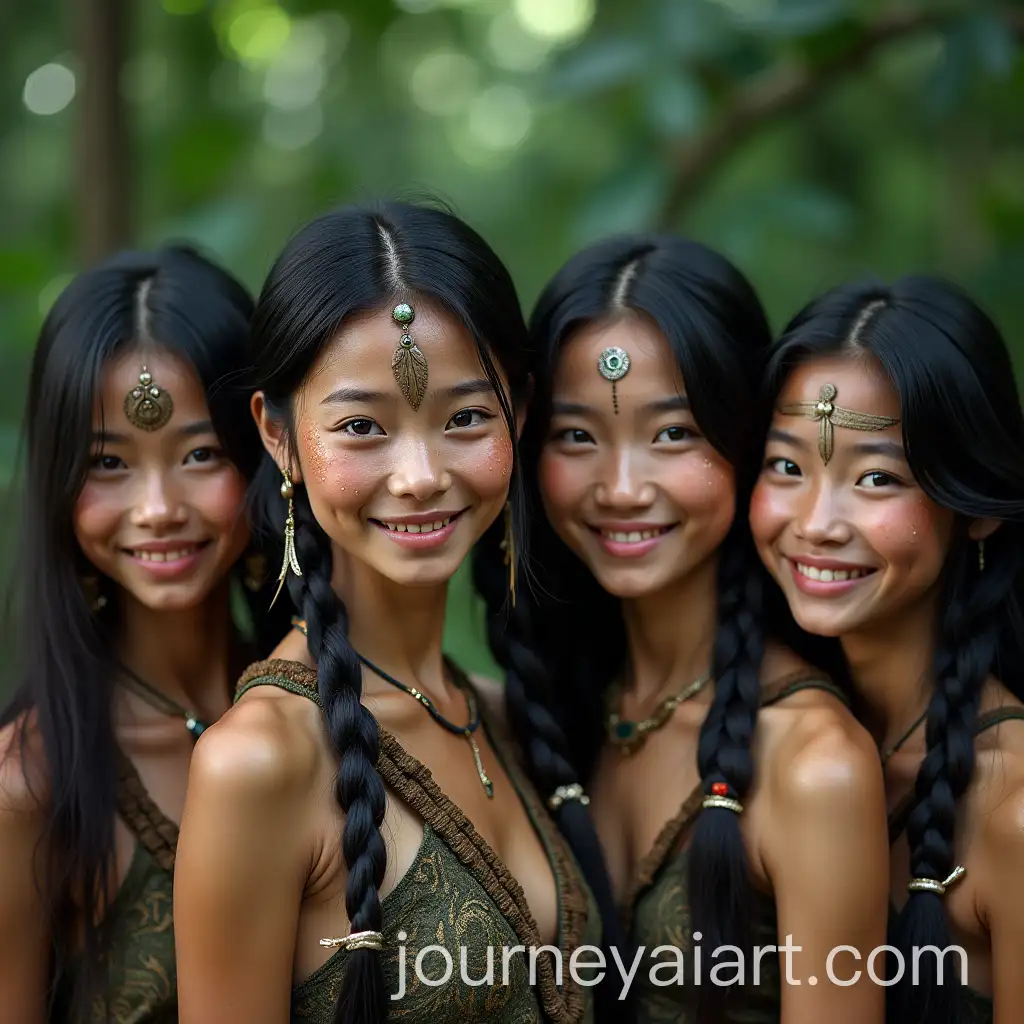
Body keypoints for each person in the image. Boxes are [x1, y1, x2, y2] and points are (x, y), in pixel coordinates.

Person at [173, 201, 602, 1024]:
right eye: (362, 427)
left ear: (520, 410)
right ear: (277, 435)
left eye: (466, 418)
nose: (418, 475)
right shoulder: (260, 763)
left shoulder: (503, 717)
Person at [476, 234, 888, 1023]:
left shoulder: (813, 764)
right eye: (576, 436)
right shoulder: (546, 719)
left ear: (750, 444)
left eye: (673, 435)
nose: (623, 488)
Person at [0, 246, 286, 1022]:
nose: (158, 506)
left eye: (199, 454)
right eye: (108, 463)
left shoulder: (332, 713)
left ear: (264, 451)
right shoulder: (29, 786)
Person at [750, 276, 1024, 1023]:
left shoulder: (1015, 816)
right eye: (787, 467)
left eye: (877, 478)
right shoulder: (778, 727)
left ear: (977, 511)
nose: (816, 522)